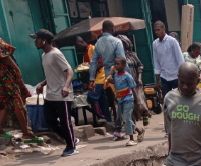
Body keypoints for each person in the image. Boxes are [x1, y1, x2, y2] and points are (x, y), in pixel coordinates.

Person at [32, 29, 77, 157]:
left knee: (65, 122)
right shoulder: (44, 55)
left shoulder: (56, 54)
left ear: (44, 41)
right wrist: (42, 84)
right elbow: (52, 74)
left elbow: (69, 71)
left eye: (37, 39)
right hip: (51, 94)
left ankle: (71, 147)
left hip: (62, 94)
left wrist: (66, 87)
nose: (35, 42)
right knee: (50, 120)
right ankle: (71, 139)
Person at [88, 20, 124, 125]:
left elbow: (93, 62)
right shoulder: (117, 41)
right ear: (112, 29)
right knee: (124, 98)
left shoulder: (98, 43)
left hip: (107, 75)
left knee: (116, 99)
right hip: (118, 73)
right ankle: (124, 123)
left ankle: (120, 123)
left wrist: (91, 79)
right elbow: (122, 60)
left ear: (102, 30)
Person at [106, 56, 144, 146]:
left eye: (118, 64)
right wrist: (111, 73)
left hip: (128, 99)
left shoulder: (127, 76)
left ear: (123, 65)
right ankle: (139, 130)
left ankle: (131, 139)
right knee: (125, 119)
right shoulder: (115, 75)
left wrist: (137, 101)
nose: (116, 65)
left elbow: (133, 88)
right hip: (120, 100)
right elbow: (111, 81)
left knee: (127, 118)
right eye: (115, 64)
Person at [0, 37, 34, 138]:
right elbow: (8, 60)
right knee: (17, 101)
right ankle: (25, 132)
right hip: (6, 77)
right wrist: (18, 73)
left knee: (5, 103)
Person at [118, 35, 150, 127]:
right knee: (129, 103)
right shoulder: (118, 57)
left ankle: (145, 115)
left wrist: (139, 77)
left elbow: (140, 66)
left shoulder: (132, 55)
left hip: (136, 81)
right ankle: (133, 124)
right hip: (125, 83)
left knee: (140, 100)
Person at [153, 21, 185, 97]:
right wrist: (157, 81)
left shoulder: (172, 41)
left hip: (176, 76)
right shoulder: (155, 44)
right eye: (155, 30)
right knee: (166, 98)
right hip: (164, 77)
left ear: (163, 29)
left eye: (158, 30)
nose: (156, 32)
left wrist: (182, 77)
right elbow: (156, 62)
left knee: (179, 98)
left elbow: (180, 59)